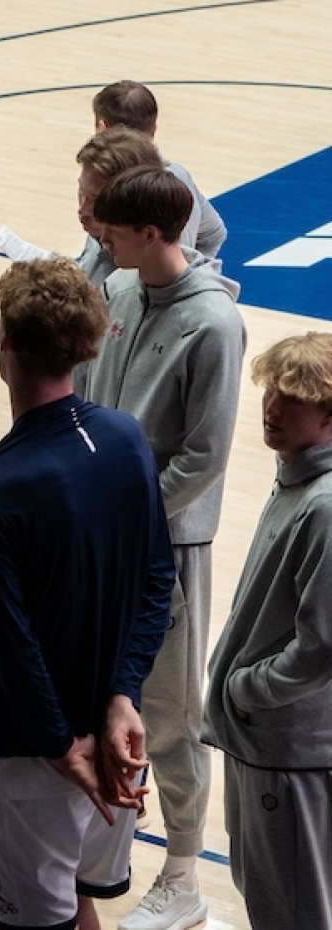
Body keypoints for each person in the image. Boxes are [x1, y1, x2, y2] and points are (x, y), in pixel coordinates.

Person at [0, 258, 174, 930]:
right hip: (113, 738)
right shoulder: (125, 437)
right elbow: (159, 580)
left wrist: (61, 745)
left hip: (23, 753)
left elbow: (12, 641)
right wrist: (122, 696)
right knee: (82, 905)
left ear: (3, 342)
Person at [75, 165, 246, 930]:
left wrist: (130, 516)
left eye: (113, 232)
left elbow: (204, 457)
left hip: (167, 543)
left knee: (171, 716)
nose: (101, 242)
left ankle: (182, 876)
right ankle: (104, 846)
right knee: (102, 694)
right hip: (102, 531)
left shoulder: (213, 323)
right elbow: (92, 403)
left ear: (153, 233)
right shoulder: (117, 290)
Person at [202, 332, 332, 930]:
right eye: (271, 391)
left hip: (286, 746)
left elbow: (321, 648)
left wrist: (247, 690)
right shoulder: (297, 480)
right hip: (264, 739)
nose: (272, 407)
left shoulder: (324, 507)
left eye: (294, 398)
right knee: (266, 896)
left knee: (291, 913)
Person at [90, 81, 227, 262]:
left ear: (103, 128)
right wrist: (195, 271)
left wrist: (192, 275)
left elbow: (214, 234)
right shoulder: (178, 175)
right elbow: (214, 233)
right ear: (154, 128)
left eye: (88, 197)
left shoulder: (123, 189)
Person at [73, 127, 173, 286]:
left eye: (96, 199)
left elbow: (212, 233)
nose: (82, 211)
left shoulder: (141, 280)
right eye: (81, 191)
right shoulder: (98, 229)